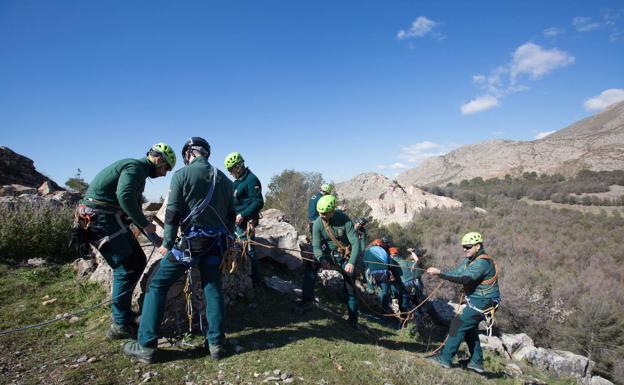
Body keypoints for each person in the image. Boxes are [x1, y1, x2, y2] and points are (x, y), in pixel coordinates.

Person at [122, 137, 235, 363]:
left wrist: (167, 243)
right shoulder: (224, 179)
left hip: (192, 244)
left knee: (157, 284)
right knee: (212, 288)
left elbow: (172, 213)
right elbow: (231, 217)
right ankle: (216, 344)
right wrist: (229, 244)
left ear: (189, 154)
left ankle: (146, 345)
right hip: (217, 243)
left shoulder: (182, 175)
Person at [77, 143, 176, 339]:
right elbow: (124, 195)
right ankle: (120, 324)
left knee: (138, 260)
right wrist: (144, 225)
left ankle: (125, 315)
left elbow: (132, 204)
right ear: (159, 159)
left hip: (108, 217)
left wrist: (151, 234)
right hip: (100, 218)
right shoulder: (135, 167)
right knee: (126, 266)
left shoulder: (138, 172)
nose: (165, 174)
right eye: (166, 168)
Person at [424, 232, 500, 373]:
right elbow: (458, 272)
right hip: (480, 301)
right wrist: (439, 272)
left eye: (468, 246)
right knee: (469, 328)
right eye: (464, 247)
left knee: (457, 324)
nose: (465, 249)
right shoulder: (469, 260)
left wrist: (440, 272)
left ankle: (445, 359)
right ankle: (476, 362)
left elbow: (465, 278)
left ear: (478, 246)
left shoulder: (482, 263)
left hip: (485, 302)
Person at [295, 195, 362, 329]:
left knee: (350, 285)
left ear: (332, 211)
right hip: (328, 255)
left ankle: (353, 319)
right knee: (311, 266)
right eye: (320, 213)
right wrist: (322, 259)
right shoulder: (318, 223)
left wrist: (351, 263)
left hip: (345, 257)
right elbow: (316, 246)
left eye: (325, 213)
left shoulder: (344, 220)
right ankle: (307, 300)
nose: (322, 215)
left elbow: (355, 243)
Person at [223, 151, 264, 287]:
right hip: (235, 221)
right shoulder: (238, 182)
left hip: (245, 222)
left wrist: (243, 214)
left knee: (249, 249)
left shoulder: (251, 180)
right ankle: (242, 276)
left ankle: (256, 280)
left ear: (238, 166)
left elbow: (258, 202)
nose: (230, 172)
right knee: (237, 247)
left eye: (231, 169)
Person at [392, 248, 445, 326]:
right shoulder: (409, 263)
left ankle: (404, 322)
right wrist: (412, 252)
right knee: (421, 301)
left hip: (406, 285)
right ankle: (430, 318)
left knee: (406, 303)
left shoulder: (396, 262)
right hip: (415, 285)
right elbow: (417, 260)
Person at [363, 245, 410, 314]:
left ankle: (370, 291)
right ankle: (384, 310)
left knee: (375, 288)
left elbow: (366, 264)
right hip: (384, 274)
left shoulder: (367, 252)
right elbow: (392, 265)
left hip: (372, 273)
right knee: (385, 291)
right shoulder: (384, 252)